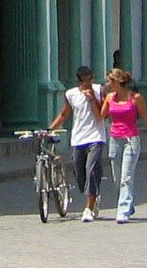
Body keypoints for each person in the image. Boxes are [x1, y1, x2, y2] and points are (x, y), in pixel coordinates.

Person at [43, 66, 109, 222]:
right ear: (79, 81)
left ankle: (88, 208)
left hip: (96, 137)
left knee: (91, 169)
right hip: (78, 138)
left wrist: (92, 98)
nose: (89, 84)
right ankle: (94, 194)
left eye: (91, 80)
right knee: (79, 174)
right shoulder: (71, 94)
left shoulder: (99, 91)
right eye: (85, 81)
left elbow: (101, 116)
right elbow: (64, 114)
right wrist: (50, 129)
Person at [100, 67, 147, 223]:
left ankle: (123, 211)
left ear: (117, 82)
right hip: (115, 140)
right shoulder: (109, 98)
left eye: (109, 81)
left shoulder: (135, 98)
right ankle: (129, 204)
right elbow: (101, 116)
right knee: (117, 178)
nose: (107, 84)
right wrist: (95, 99)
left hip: (130, 140)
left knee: (126, 177)